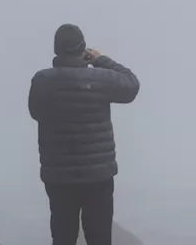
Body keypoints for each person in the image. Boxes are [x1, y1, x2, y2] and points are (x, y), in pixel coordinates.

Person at [28, 23, 139, 245]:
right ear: (83, 49)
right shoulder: (101, 79)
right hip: (98, 178)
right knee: (99, 239)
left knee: (63, 238)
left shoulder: (42, 81)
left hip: (59, 178)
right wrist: (100, 60)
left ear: (56, 49)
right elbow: (131, 85)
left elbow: (36, 112)